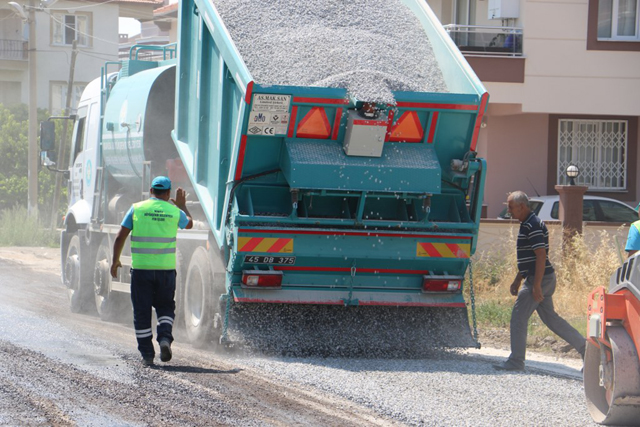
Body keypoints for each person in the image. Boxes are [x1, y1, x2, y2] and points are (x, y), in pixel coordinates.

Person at [493, 191, 585, 371]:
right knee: (551, 319)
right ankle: (586, 348)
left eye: (511, 207)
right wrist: (518, 279)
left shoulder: (532, 225)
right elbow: (529, 257)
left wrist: (535, 285)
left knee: (518, 317)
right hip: (540, 277)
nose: (509, 211)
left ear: (522, 206)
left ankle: (516, 361)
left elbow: (541, 256)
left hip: (539, 279)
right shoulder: (528, 223)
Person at [111, 176, 193, 366]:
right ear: (168, 193)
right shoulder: (174, 211)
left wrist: (115, 260)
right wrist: (182, 206)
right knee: (165, 307)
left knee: (141, 311)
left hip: (141, 270)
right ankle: (164, 338)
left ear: (150, 190)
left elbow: (119, 236)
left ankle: (147, 355)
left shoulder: (137, 208)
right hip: (166, 271)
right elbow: (189, 223)